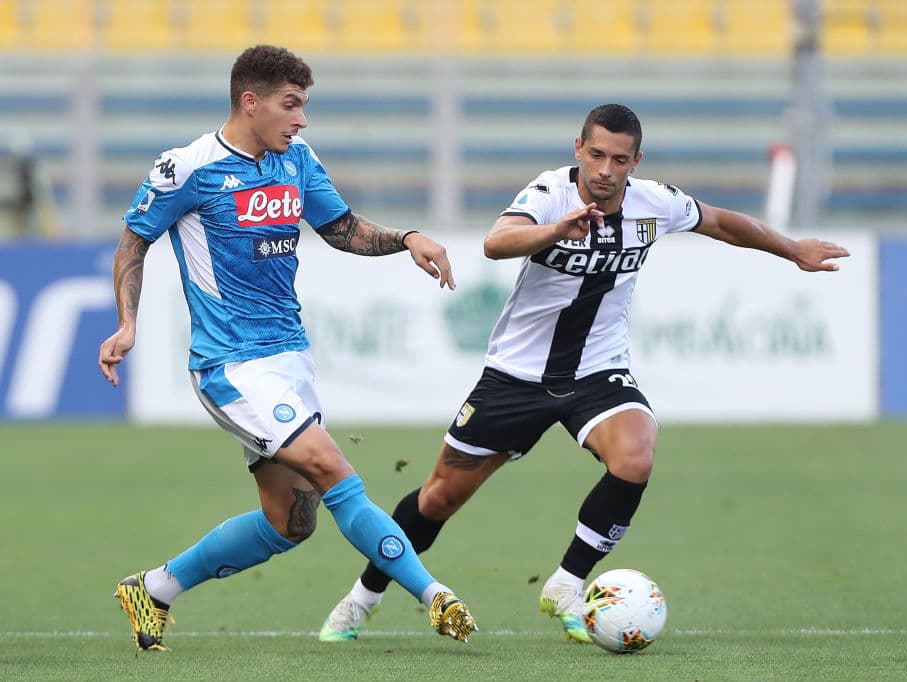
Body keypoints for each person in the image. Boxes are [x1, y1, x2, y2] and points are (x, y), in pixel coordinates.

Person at [318, 103, 850, 644]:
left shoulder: (654, 202)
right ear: (578, 149)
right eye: (596, 155)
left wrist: (792, 249)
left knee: (636, 456)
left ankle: (567, 584)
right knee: (438, 499)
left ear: (635, 161)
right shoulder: (550, 194)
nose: (605, 169)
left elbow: (720, 222)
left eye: (619, 160)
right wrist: (556, 230)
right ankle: (361, 600)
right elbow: (496, 242)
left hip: (598, 371)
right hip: (515, 377)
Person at [97, 45, 477, 652]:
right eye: (290, 105)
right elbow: (133, 243)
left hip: (289, 358)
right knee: (333, 469)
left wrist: (408, 239)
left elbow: (344, 230)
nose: (301, 120)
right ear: (251, 102)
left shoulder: (295, 160)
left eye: (303, 106)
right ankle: (433, 595)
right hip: (231, 363)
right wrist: (127, 323)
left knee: (290, 522)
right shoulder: (188, 167)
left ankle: (156, 588)